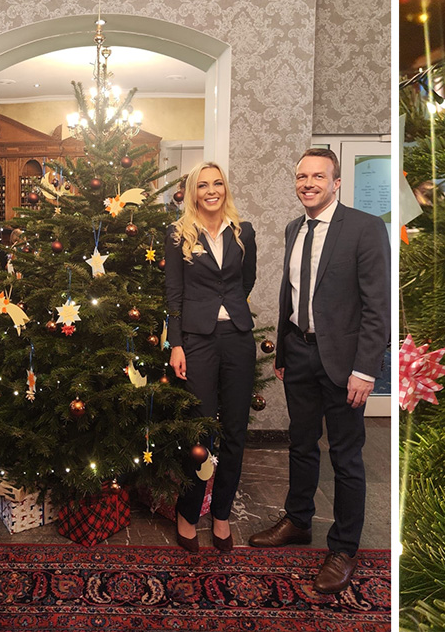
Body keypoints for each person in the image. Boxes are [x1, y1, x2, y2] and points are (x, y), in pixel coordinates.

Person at [248, 148, 390, 594]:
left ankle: (344, 547)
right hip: (301, 355)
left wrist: (366, 370)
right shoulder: (295, 228)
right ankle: (298, 520)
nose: (308, 183)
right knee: (301, 444)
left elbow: (377, 307)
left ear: (336, 182)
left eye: (317, 176)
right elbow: (291, 298)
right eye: (301, 176)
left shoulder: (365, 229)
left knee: (346, 457)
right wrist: (285, 354)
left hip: (345, 363)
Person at [165, 161, 257, 553]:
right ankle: (187, 514)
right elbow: (174, 292)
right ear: (193, 192)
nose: (211, 190)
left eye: (217, 183)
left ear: (225, 188)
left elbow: (246, 279)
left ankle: (221, 515)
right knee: (201, 433)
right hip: (197, 341)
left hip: (237, 336)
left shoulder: (243, 233)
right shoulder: (177, 234)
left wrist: (229, 305)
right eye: (203, 185)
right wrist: (176, 343)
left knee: (235, 432)